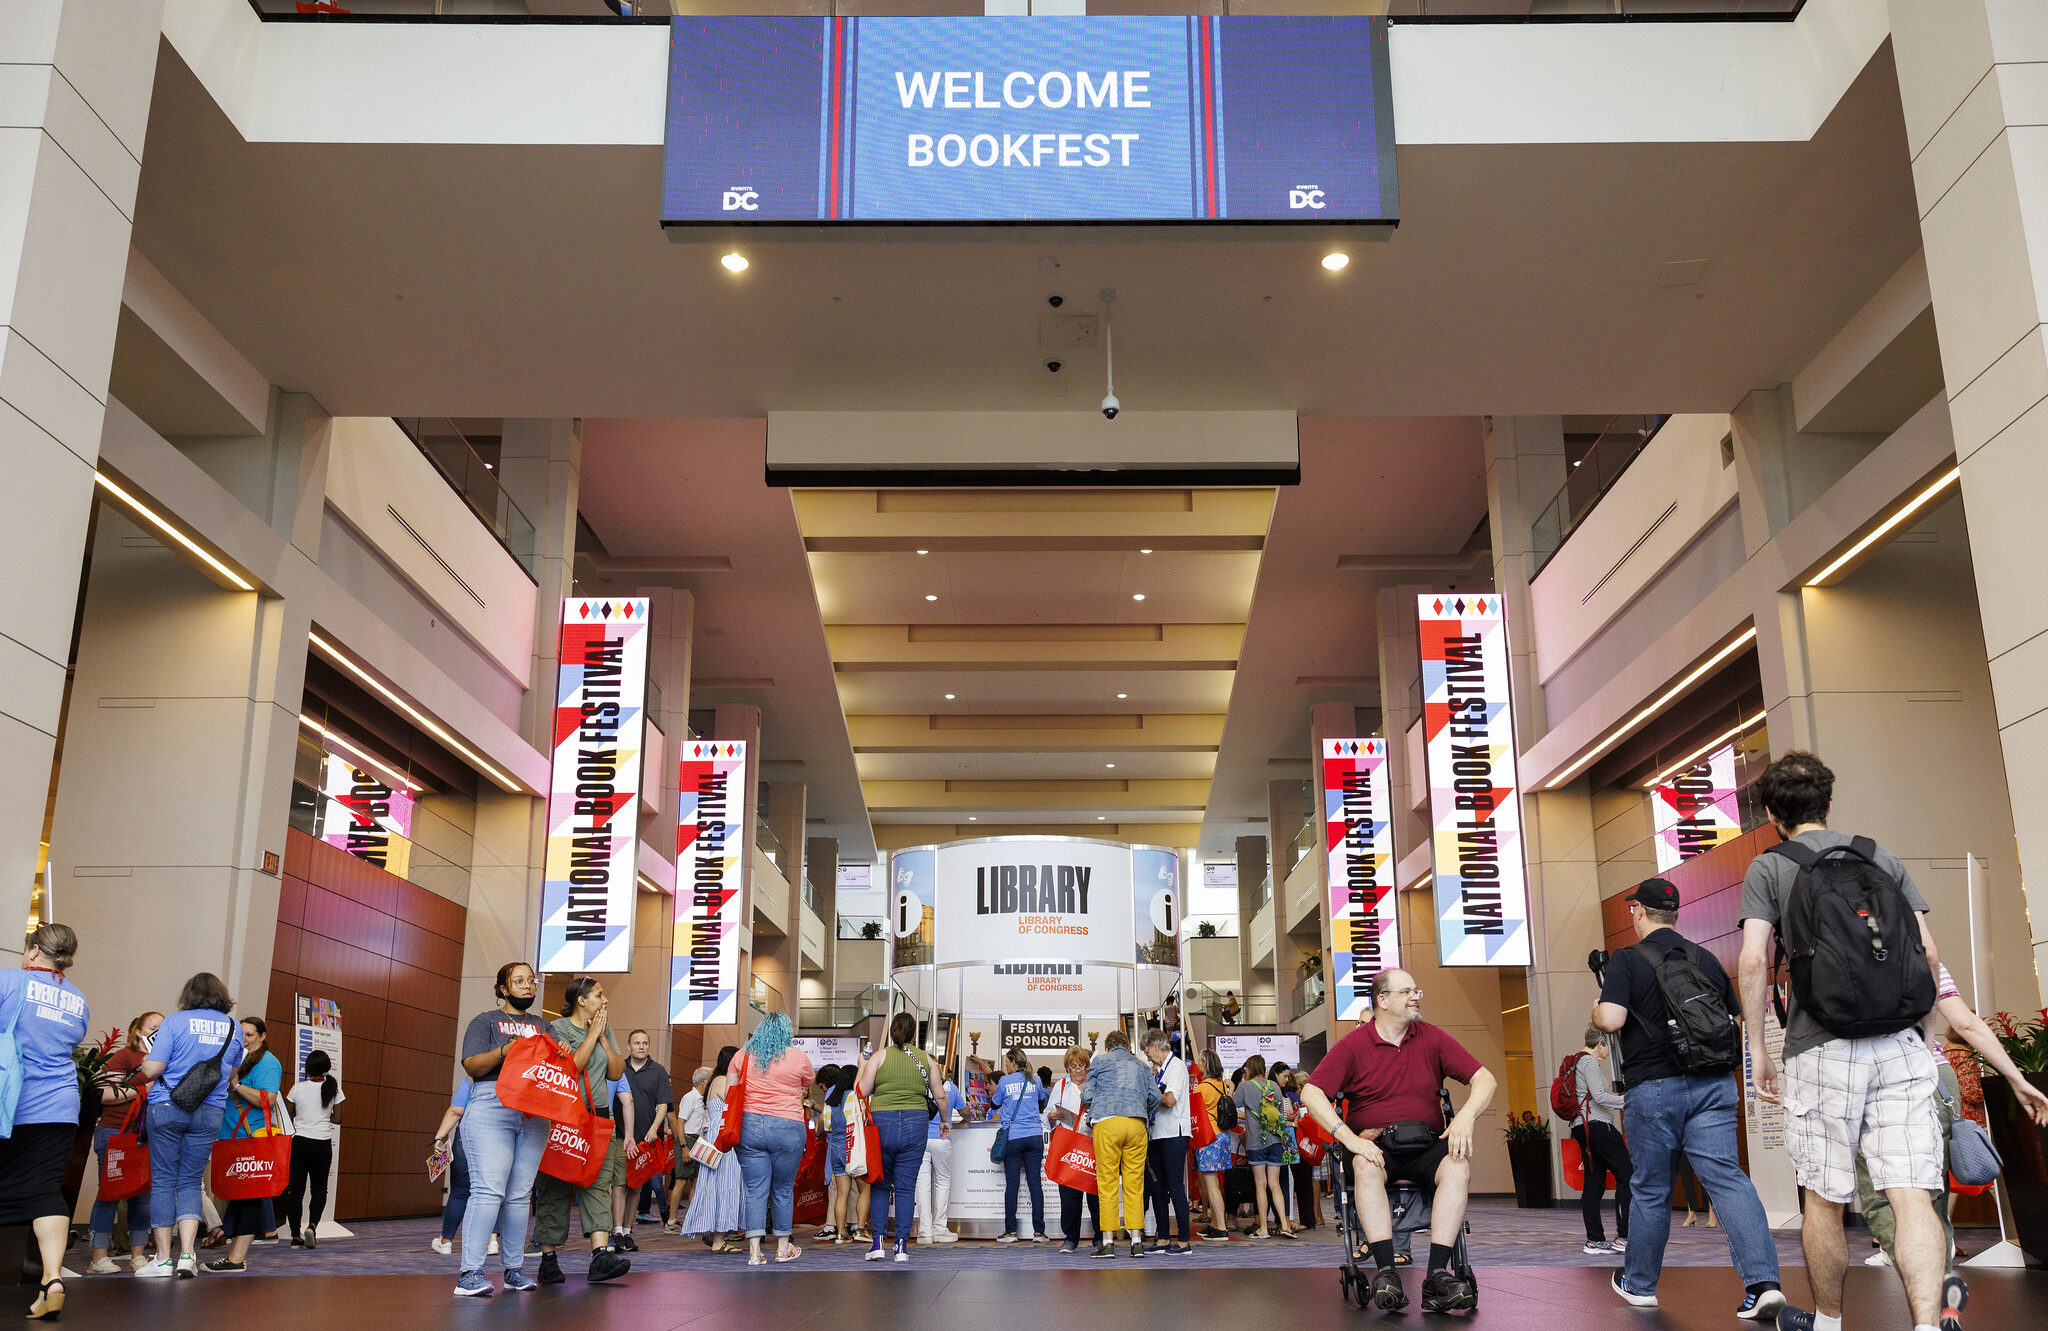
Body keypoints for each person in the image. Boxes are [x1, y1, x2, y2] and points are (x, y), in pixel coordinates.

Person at [1734, 753, 1945, 1331]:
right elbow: (1926, 953)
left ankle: (1830, 1321)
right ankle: (1927, 1325)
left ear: (1774, 813)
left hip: (1819, 1045)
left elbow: (1753, 962)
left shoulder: (1770, 866)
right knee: (1910, 1194)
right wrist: (1922, 1032)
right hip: (1899, 1040)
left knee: (1824, 1197)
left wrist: (1758, 1052)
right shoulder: (1879, 856)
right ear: (1830, 803)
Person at [1596, 877, 1780, 1318]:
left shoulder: (1626, 960)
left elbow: (1611, 1018)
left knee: (1652, 1188)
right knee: (1728, 1180)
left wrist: (1597, 1008)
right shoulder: (1706, 958)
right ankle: (1763, 1284)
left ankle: (1639, 1284)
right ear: (1674, 914)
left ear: (1637, 910)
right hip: (1714, 1083)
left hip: (1654, 1088)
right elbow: (1735, 1017)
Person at [1301, 968, 1494, 1315]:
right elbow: (1311, 1092)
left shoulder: (1431, 1037)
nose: (1415, 996)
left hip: (1425, 1143)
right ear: (1383, 1000)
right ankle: (1387, 1272)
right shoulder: (1354, 1044)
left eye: (1416, 990)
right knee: (1363, 1162)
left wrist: (1465, 1116)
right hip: (1376, 1145)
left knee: (1457, 1164)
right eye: (1406, 991)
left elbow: (1485, 1079)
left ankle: (1437, 1276)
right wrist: (1347, 1137)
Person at [0, 924, 90, 1317]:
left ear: (35, 951)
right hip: (60, 1107)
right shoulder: (77, 999)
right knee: (45, 1191)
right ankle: (52, 1278)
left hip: (13, 1105)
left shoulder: (10, 981)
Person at [450, 961, 549, 1297]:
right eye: (518, 981)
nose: (527, 985)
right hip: (491, 1102)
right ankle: (470, 1273)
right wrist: (508, 1049)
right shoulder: (486, 1021)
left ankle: (513, 1269)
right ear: (503, 989)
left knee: (520, 1194)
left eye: (531, 980)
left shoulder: (543, 1026)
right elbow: (472, 1065)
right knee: (489, 1189)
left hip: (534, 1109)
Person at [136, 971, 241, 1281]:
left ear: (189, 995)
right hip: (210, 1110)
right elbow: (232, 1071)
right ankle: (187, 1256)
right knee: (191, 1181)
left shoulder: (175, 1022)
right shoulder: (233, 1027)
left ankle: (164, 1259)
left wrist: (146, 1056)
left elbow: (153, 1069)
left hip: (169, 1106)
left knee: (165, 1179)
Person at [532, 976, 630, 1285]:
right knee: (555, 1188)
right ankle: (548, 1260)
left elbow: (616, 1070)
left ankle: (600, 1256)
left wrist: (602, 1038)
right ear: (582, 1000)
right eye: (600, 994)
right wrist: (592, 1036)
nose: (605, 1000)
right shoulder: (558, 1029)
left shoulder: (605, 1029)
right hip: (564, 1120)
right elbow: (570, 1068)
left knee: (598, 1185)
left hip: (597, 1119)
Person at [857, 1011, 947, 1261]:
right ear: (912, 1033)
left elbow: (862, 1091)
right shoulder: (926, 1059)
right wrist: (945, 1121)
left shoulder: (879, 1056)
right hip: (915, 1123)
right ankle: (901, 1247)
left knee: (879, 1185)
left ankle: (876, 1244)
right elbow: (940, 1095)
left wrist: (862, 1068)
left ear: (893, 1030)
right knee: (907, 1187)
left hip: (882, 1124)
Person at [203, 1016, 283, 1274]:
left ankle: (237, 1258)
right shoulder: (238, 1060)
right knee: (237, 1197)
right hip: (231, 1137)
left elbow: (267, 1100)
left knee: (249, 1198)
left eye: (250, 1035)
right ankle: (233, 1256)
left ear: (262, 1036)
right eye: (242, 1034)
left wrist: (235, 1084)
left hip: (252, 1139)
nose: (245, 1040)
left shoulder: (268, 1063)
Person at [735, 1013, 815, 1264]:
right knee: (782, 1189)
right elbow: (808, 1080)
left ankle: (755, 1252)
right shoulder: (798, 1057)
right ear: (787, 1032)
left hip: (750, 1126)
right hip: (788, 1127)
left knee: (755, 1191)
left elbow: (730, 1091)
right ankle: (782, 1247)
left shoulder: (742, 1056)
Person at [86, 1009, 160, 1274]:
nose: (158, 1032)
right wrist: (143, 1088)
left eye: (164, 1028)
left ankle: (138, 1255)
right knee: (109, 1194)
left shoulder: (167, 1061)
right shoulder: (124, 1056)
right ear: (138, 1032)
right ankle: (98, 1257)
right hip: (114, 1132)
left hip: (146, 1136)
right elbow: (104, 1094)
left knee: (143, 1196)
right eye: (153, 1027)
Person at [1081, 1028, 1160, 1258]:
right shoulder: (1142, 1066)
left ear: (1107, 1047)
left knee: (1107, 1182)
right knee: (1134, 1184)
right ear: (1127, 1046)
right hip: (1136, 1124)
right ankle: (1136, 1241)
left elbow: (1086, 1096)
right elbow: (1155, 1097)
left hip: (1107, 1123)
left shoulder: (1100, 1061)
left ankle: (1108, 1243)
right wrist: (1142, 1111)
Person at [1567, 1027, 1631, 1255]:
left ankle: (1594, 1240)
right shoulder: (1589, 1062)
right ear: (1601, 1043)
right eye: (1609, 1046)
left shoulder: (1575, 1062)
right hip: (1596, 1126)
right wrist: (1628, 1101)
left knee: (1594, 1182)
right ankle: (1625, 1236)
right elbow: (1600, 1096)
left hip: (1581, 1127)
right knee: (1628, 1173)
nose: (1609, 1051)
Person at [611, 1028, 670, 1248]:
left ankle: (627, 1231)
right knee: (618, 1184)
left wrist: (655, 1128)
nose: (641, 1046)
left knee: (636, 1186)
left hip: (645, 1138)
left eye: (645, 1043)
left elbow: (663, 1104)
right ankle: (616, 1231)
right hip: (619, 1135)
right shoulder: (618, 1068)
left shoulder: (658, 1071)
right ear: (628, 1046)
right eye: (636, 1043)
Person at [679, 1046, 743, 1251]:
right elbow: (736, 1104)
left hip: (716, 1136)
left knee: (716, 1185)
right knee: (724, 1184)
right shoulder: (723, 1081)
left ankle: (717, 1236)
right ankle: (718, 1240)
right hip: (723, 1138)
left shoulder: (715, 1080)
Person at [1231, 1055, 1300, 1240]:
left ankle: (1263, 1228)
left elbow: (1232, 1105)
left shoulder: (1245, 1087)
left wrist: (1234, 1087)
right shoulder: (1274, 1086)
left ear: (1250, 1068)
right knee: (1275, 1184)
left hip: (1256, 1142)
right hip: (1276, 1140)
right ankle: (1285, 1224)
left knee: (1260, 1186)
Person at [281, 1047, 343, 1249]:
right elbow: (339, 1119)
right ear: (327, 1067)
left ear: (307, 1067)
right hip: (322, 1144)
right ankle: (313, 1226)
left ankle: (295, 1236)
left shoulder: (297, 1088)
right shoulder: (334, 1088)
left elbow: (286, 1116)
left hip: (299, 1143)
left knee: (295, 1192)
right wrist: (325, 1116)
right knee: (319, 1189)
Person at [1141, 1028, 1194, 1253]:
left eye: (1147, 1052)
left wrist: (1149, 1097)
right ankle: (1162, 1237)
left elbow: (1170, 1100)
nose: (1147, 1057)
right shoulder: (1158, 1070)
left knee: (1174, 1187)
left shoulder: (1177, 1066)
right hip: (1156, 1133)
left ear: (1155, 1046)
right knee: (1156, 1188)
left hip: (1174, 1133)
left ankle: (1184, 1240)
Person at [990, 1045, 1046, 1244]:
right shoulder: (1036, 1079)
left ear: (1013, 1062)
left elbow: (994, 1104)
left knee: (1012, 1184)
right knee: (1035, 1184)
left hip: (1013, 1138)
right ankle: (1039, 1233)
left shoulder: (1004, 1081)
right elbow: (1041, 1100)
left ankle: (1011, 1232)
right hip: (1035, 1136)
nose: (1005, 1065)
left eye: (1006, 1062)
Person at [428, 1079, 491, 1256]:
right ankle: (491, 1241)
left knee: (460, 1191)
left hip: (468, 1135)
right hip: (499, 1137)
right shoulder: (511, 1073)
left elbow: (456, 1110)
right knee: (492, 1192)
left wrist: (439, 1138)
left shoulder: (473, 1076)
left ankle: (446, 1241)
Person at [1048, 1046, 1101, 1254]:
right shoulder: (1061, 1086)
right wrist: (1052, 1116)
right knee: (1069, 1193)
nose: (1078, 1071)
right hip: (1070, 1146)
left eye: (1082, 1066)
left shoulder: (1095, 1085)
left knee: (1095, 1194)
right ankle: (1070, 1238)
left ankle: (1099, 1237)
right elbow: (1048, 1112)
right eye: (1073, 1067)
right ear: (1067, 1068)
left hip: (1092, 1143)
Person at [916, 1067, 965, 1244]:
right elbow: (965, 1112)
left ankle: (925, 1232)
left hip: (920, 1139)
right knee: (942, 1183)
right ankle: (939, 1228)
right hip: (942, 1138)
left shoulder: (917, 1086)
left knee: (922, 1184)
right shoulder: (950, 1087)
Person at [1192, 1050, 1234, 1241]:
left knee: (1211, 1183)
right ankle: (1217, 1223)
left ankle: (1221, 1228)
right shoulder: (1222, 1085)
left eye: (1199, 1061)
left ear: (1204, 1063)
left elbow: (1196, 1114)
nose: (1197, 1063)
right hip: (1224, 1136)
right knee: (1215, 1182)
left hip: (1209, 1137)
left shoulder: (1202, 1088)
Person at [666, 1065, 710, 1233]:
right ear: (703, 1082)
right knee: (681, 1181)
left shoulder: (703, 1100)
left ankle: (693, 1220)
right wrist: (684, 1146)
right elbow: (680, 1122)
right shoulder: (690, 1097)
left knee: (696, 1183)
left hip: (699, 1142)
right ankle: (671, 1221)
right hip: (688, 1141)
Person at [816, 1063, 855, 1243]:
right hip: (854, 1145)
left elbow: (825, 1124)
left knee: (838, 1190)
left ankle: (835, 1228)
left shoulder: (832, 1095)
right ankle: (856, 1225)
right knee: (857, 1188)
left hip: (836, 1145)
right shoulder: (854, 1096)